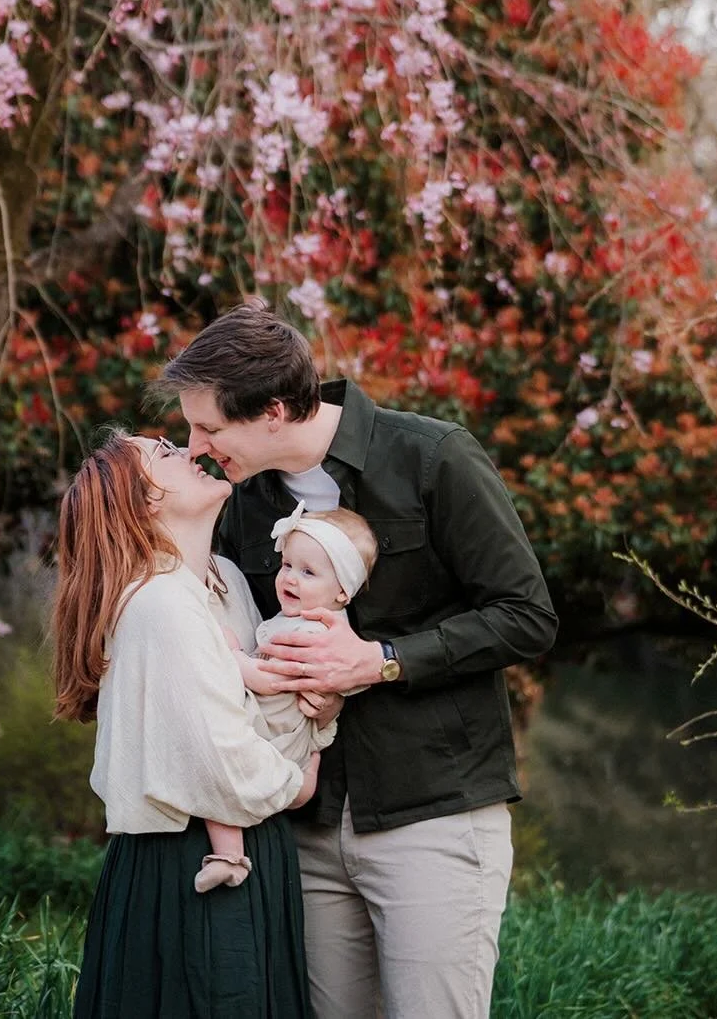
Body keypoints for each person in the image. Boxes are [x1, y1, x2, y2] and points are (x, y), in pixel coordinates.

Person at [162, 301, 559, 1019]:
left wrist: (378, 661)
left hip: (432, 814)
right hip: (304, 827)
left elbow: (526, 617)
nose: (195, 446)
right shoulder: (240, 502)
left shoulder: (433, 457)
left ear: (275, 410)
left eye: (210, 428)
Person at [52, 428, 332, 1019]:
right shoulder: (158, 603)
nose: (189, 449)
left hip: (249, 849)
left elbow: (259, 715)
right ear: (144, 502)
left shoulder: (224, 580)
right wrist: (298, 781)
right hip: (189, 865)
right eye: (163, 454)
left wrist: (317, 713)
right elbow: (221, 760)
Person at [199, 503, 377, 894]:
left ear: (343, 591)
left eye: (308, 572)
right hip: (285, 736)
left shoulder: (314, 631)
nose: (290, 579)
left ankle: (229, 856)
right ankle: (303, 781)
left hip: (271, 729)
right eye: (287, 566)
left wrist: (235, 661)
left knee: (219, 773)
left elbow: (280, 678)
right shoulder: (310, 620)